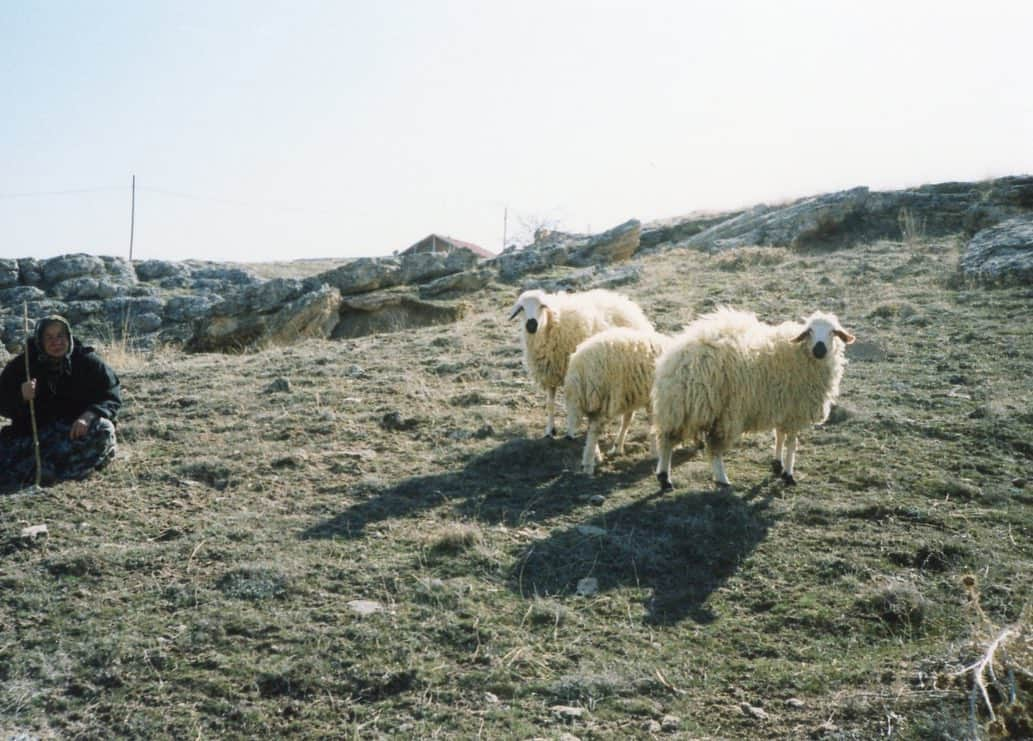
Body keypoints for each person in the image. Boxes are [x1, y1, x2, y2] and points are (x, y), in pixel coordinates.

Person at [0, 315, 121, 490]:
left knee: (104, 429)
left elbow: (111, 395)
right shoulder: (22, 365)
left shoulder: (88, 362)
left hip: (73, 433)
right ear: (40, 340)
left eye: (60, 336)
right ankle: (40, 471)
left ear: (69, 337)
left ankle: (57, 476)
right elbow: (3, 404)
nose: (56, 342)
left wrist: (89, 415)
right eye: (49, 337)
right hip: (33, 435)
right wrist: (21, 396)